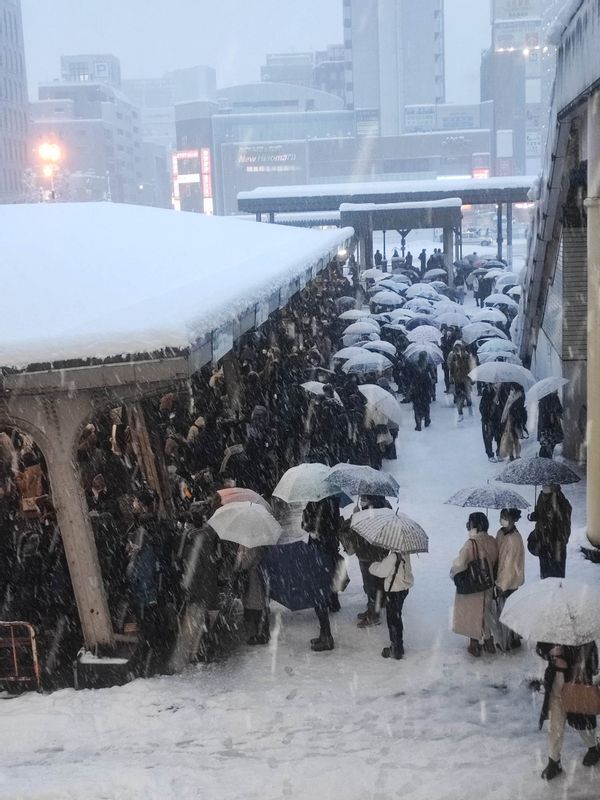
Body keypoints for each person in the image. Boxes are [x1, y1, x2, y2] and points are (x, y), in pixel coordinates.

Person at [537, 641, 600, 780]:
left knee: (582, 723)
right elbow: (539, 648)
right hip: (555, 684)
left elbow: (594, 666)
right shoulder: (551, 626)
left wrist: (571, 664)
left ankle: (593, 748)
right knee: (555, 724)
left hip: (577, 684)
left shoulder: (583, 631)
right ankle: (554, 762)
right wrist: (552, 655)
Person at [450, 512, 498, 657]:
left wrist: (453, 572)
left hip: (474, 584)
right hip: (488, 583)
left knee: (473, 614)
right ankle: (489, 642)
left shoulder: (471, 544)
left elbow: (460, 563)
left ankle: (474, 644)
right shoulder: (492, 540)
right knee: (487, 613)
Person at [369, 549, 413, 660]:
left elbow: (381, 571)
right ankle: (398, 645)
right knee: (396, 617)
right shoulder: (405, 554)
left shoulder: (393, 556)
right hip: (403, 589)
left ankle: (395, 648)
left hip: (394, 591)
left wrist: (373, 565)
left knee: (392, 619)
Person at [493, 508, 524, 652]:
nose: (502, 520)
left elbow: (511, 565)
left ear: (513, 520)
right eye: (501, 517)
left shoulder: (515, 539)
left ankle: (508, 640)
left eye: (505, 517)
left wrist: (502, 584)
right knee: (505, 610)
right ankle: (510, 638)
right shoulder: (501, 533)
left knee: (506, 611)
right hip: (500, 577)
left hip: (509, 581)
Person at [528, 484, 572, 578]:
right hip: (543, 542)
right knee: (545, 575)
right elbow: (540, 514)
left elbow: (564, 523)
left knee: (556, 577)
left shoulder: (561, 500)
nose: (544, 486)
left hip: (556, 545)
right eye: (544, 484)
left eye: (548, 484)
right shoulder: (541, 497)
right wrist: (535, 516)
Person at [448, 341, 475, 421]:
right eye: (456, 348)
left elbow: (471, 367)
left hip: (466, 378)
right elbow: (451, 368)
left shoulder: (467, 356)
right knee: (459, 396)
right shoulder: (453, 357)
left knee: (467, 393)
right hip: (457, 379)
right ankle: (460, 413)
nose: (458, 350)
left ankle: (468, 402)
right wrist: (451, 377)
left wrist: (472, 378)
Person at [499, 384, 527, 461]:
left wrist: (504, 418)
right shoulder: (513, 393)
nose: (511, 387)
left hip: (515, 419)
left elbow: (513, 407)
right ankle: (513, 455)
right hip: (512, 419)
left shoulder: (520, 395)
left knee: (514, 438)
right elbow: (507, 407)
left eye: (512, 385)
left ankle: (516, 455)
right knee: (511, 437)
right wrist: (503, 418)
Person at [409, 351, 434, 431]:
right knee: (426, 406)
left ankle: (418, 424)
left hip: (416, 391)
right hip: (425, 391)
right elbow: (430, 379)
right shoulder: (427, 366)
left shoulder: (413, 366)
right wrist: (431, 391)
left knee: (417, 408)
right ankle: (427, 419)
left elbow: (410, 378)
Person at [479, 383, 504, 462]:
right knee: (488, 437)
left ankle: (499, 453)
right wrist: (493, 402)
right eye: (496, 383)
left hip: (498, 418)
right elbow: (482, 406)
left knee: (499, 436)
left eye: (499, 383)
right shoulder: (487, 391)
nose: (498, 385)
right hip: (488, 418)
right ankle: (490, 455)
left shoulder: (502, 392)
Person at [538, 391, 564, 458]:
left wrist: (556, 411)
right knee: (546, 444)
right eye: (555, 389)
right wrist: (552, 412)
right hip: (547, 426)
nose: (557, 389)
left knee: (551, 443)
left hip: (552, 425)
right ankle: (544, 459)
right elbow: (542, 415)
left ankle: (547, 458)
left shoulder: (554, 397)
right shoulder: (544, 399)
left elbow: (560, 411)